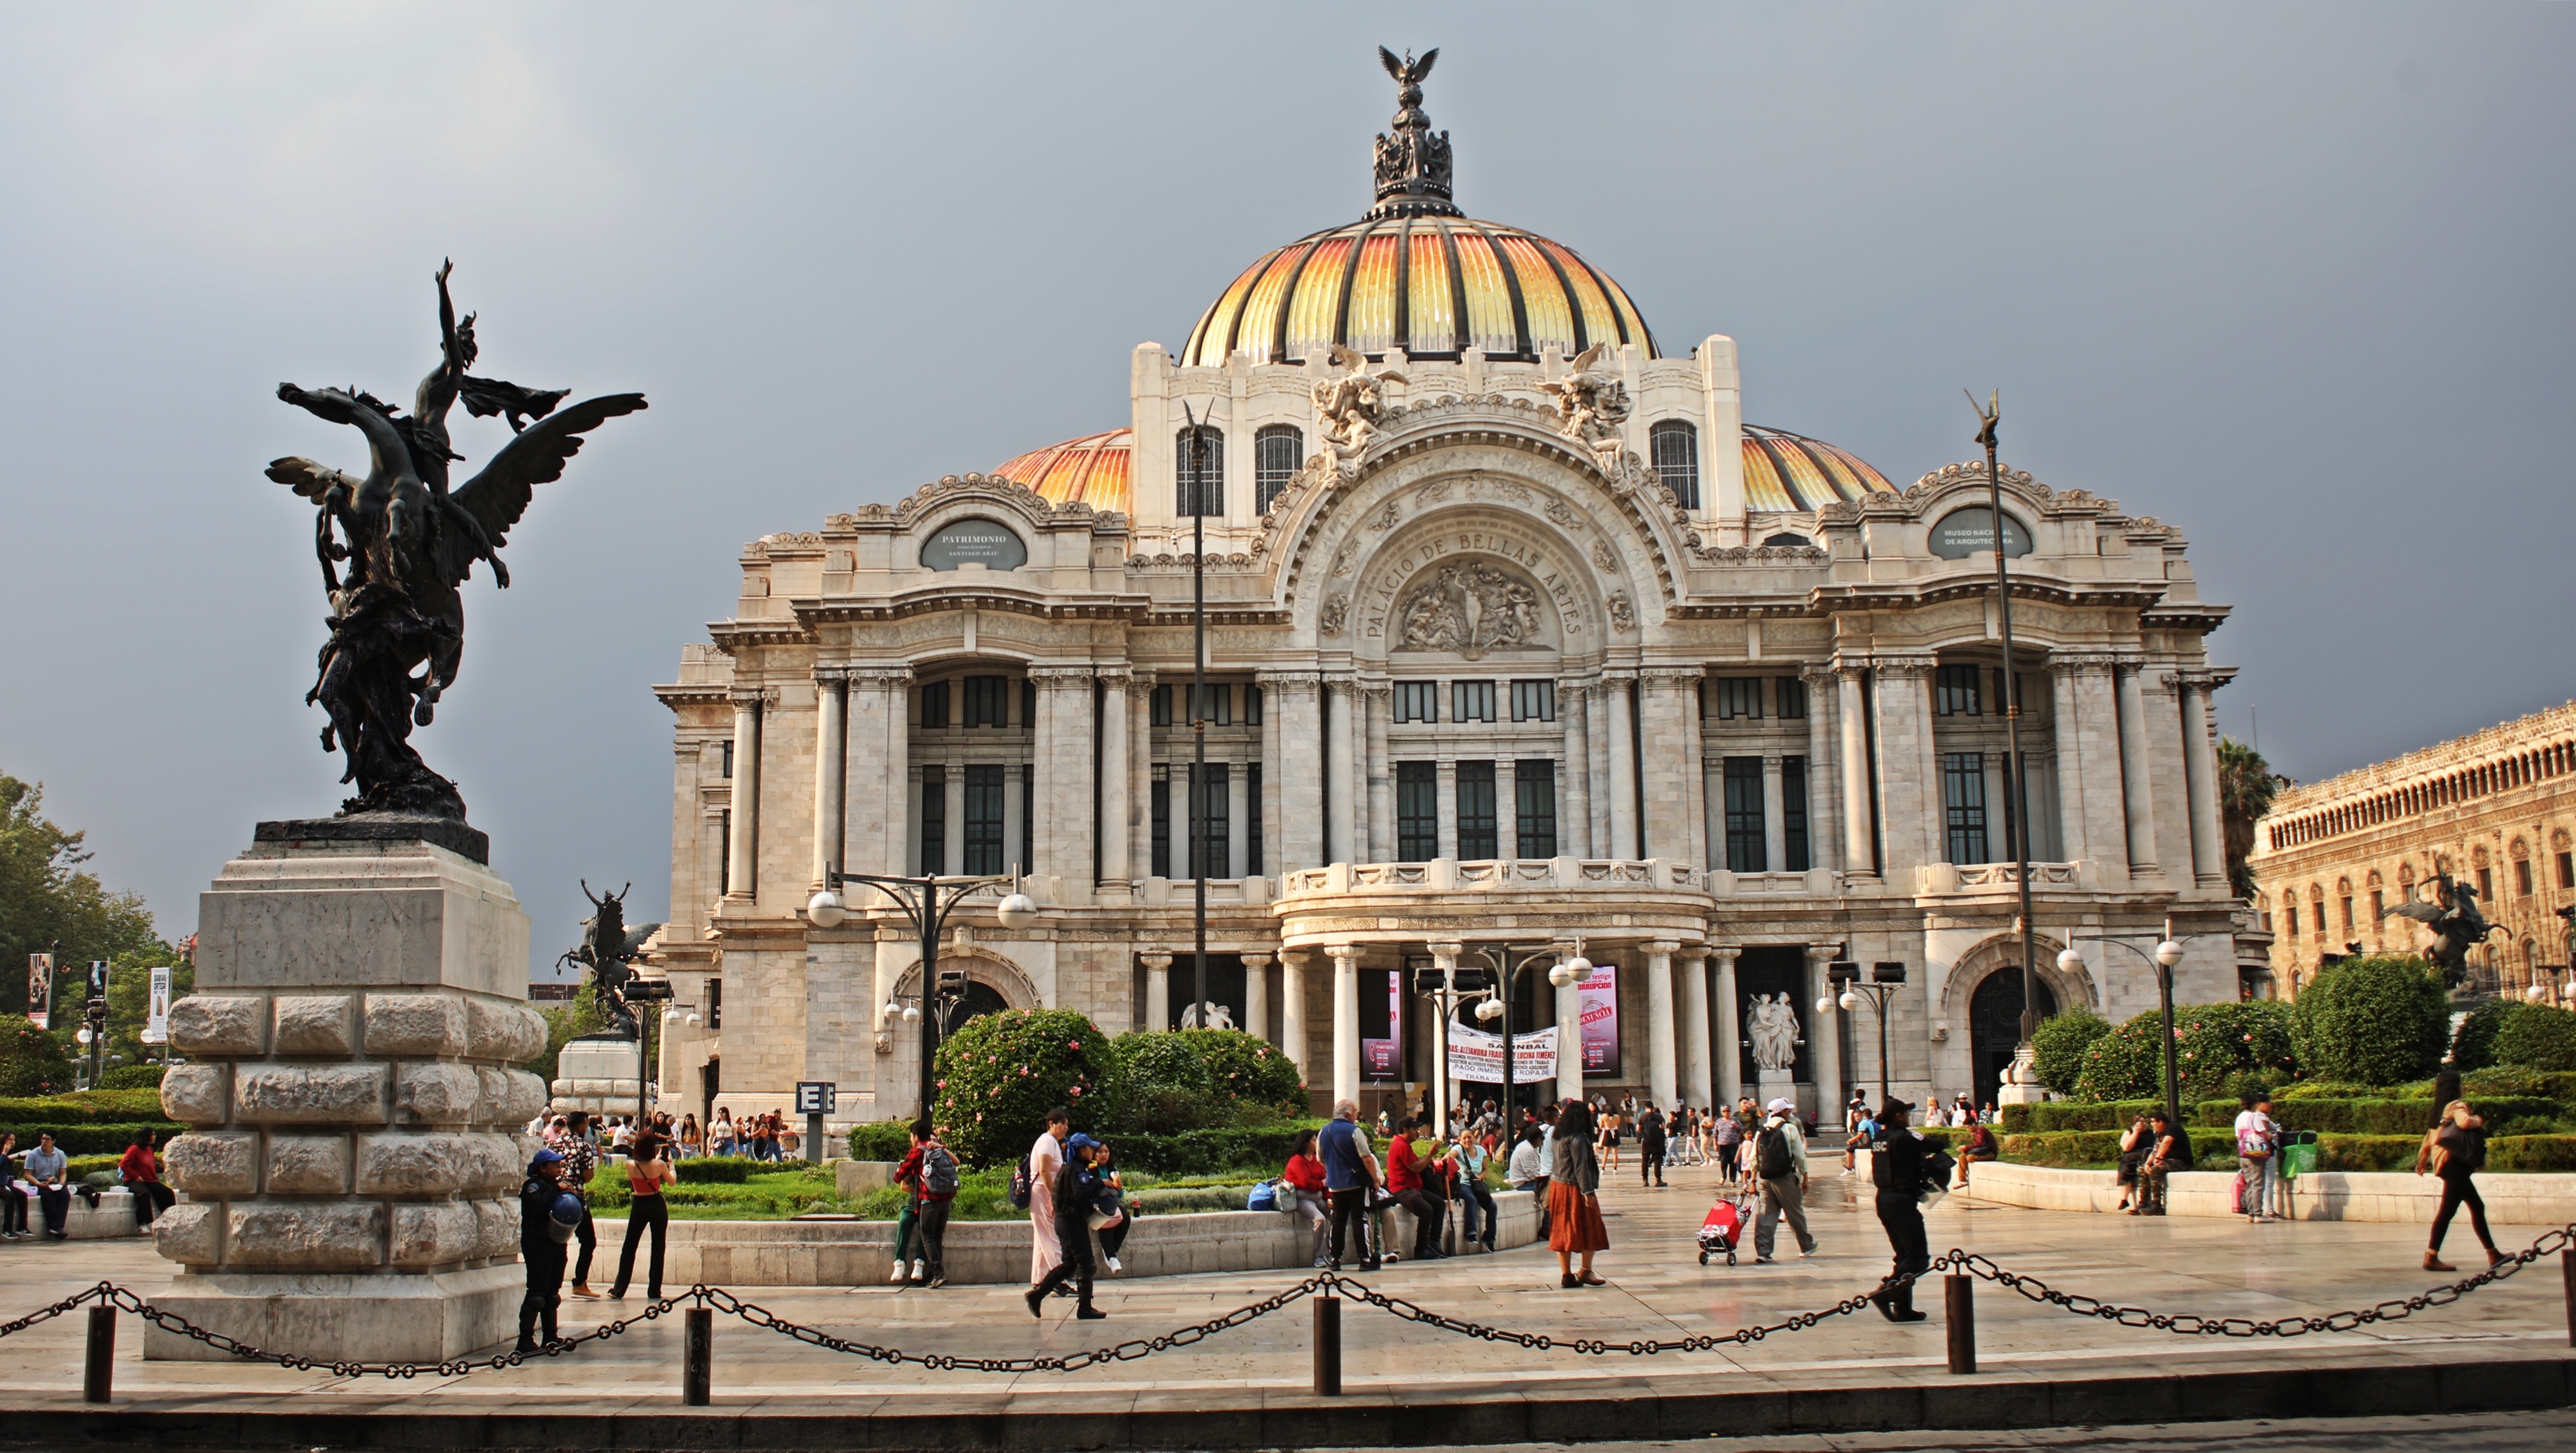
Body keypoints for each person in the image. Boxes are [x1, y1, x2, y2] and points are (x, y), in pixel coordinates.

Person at [1867, 1099, 1937, 1323]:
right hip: (1901, 1201)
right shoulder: (1904, 1138)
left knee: (1904, 1257)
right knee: (1918, 1258)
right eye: (1906, 1113)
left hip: (1884, 1200)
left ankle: (1903, 1308)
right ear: (1898, 1116)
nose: (1908, 1116)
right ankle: (1886, 1293)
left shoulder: (1881, 1138)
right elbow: (1937, 1145)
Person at [1025, 1134, 1107, 1320]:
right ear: (1081, 1151)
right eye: (1090, 1148)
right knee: (1086, 1263)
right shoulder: (1077, 1170)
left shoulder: (1068, 1168)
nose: (1093, 1152)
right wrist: (1100, 1183)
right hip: (1072, 1222)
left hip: (1065, 1221)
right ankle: (1085, 1308)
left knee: (1070, 1263)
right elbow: (1081, 1194)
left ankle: (1037, 1295)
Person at [2420, 1099, 2499, 1272]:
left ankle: (2493, 1254)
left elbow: (2429, 1138)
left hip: (2447, 1166)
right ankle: (2431, 1257)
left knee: (2477, 1206)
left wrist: (2423, 1160)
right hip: (2455, 1166)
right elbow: (2465, 1122)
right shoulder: (2457, 1105)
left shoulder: (2442, 1111)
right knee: (2447, 1211)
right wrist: (2478, 1119)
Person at [516, 1148, 575, 1353]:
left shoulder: (554, 1185)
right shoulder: (533, 1186)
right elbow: (538, 1205)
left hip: (556, 1243)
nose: (559, 1167)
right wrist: (557, 1189)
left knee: (552, 1294)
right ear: (542, 1168)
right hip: (537, 1245)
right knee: (537, 1294)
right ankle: (525, 1340)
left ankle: (550, 1335)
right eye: (555, 1164)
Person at [1548, 1099, 1609, 1288]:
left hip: (1558, 1186)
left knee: (1562, 1230)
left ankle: (1566, 1274)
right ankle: (1585, 1270)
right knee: (1591, 1227)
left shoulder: (1558, 1136)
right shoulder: (1578, 1138)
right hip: (1575, 1188)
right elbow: (1581, 1167)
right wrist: (1588, 1192)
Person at [608, 1130, 674, 1301]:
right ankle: (654, 1291)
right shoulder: (659, 1165)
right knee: (658, 1249)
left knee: (629, 1247)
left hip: (639, 1204)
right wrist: (671, 1165)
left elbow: (642, 1169)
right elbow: (672, 1181)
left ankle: (619, 1289)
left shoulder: (630, 1165)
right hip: (657, 1205)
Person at [1750, 1097, 1816, 1262]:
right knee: (1794, 1212)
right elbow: (1800, 1156)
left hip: (1765, 1178)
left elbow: (1753, 1157)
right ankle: (1806, 1246)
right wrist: (1805, 1176)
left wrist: (1752, 1180)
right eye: (1788, 1110)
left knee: (1767, 1213)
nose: (1790, 1112)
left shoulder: (1761, 1130)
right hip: (1785, 1177)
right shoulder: (1789, 1128)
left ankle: (1763, 1251)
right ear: (1783, 1111)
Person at [1320, 1099, 1378, 1272]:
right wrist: (1374, 1179)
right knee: (1360, 1220)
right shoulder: (1354, 1131)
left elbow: (1320, 1159)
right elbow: (1366, 1158)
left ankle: (1335, 1258)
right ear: (1347, 1115)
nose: (1356, 1116)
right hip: (1356, 1185)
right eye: (1354, 1113)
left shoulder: (1324, 1131)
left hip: (1335, 1186)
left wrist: (1335, 1171)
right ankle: (1365, 1259)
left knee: (1338, 1221)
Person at [1383, 1117, 1443, 1261]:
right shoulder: (1400, 1145)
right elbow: (1415, 1168)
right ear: (1405, 1130)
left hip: (1413, 1187)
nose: (1417, 1131)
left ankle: (1434, 1241)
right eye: (1414, 1129)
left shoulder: (1405, 1145)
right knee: (1426, 1211)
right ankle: (1420, 1249)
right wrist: (1430, 1155)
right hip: (1402, 1189)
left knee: (1439, 1204)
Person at [559, 1111, 603, 1295]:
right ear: (579, 1127)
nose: (587, 1129)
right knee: (588, 1240)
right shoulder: (583, 1146)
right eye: (586, 1125)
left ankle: (555, 1282)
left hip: (556, 1197)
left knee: (559, 1241)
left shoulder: (555, 1144)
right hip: (576, 1199)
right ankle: (580, 1282)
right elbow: (587, 1175)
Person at [1027, 1107, 1070, 1289]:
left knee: (1042, 1236)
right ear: (1052, 1124)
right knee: (1052, 1237)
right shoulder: (1047, 1141)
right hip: (1042, 1193)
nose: (1066, 1128)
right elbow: (1044, 1171)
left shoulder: (1051, 1142)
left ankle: (1040, 1279)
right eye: (1063, 1124)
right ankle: (1059, 1280)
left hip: (1043, 1193)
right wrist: (1055, 1197)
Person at [912, 1120, 958, 1287]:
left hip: (930, 1200)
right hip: (946, 1199)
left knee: (928, 1236)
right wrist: (942, 1148)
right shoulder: (940, 1147)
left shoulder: (919, 1151)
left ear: (916, 1137)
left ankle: (938, 1273)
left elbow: (900, 1176)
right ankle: (935, 1273)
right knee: (937, 1236)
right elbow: (957, 1162)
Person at [1284, 1129, 1330, 1268]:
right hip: (1303, 1198)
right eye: (1314, 1140)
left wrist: (1328, 1198)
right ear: (1306, 1143)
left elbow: (1325, 1179)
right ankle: (1320, 1256)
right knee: (1319, 1219)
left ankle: (1333, 1250)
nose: (1317, 1143)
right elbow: (1306, 1183)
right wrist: (1321, 1183)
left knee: (1337, 1215)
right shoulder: (1297, 1161)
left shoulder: (1316, 1159)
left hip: (1319, 1197)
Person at [2235, 1091, 2281, 1222]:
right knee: (2258, 1183)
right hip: (2254, 1154)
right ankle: (2258, 1214)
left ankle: (2251, 1213)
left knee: (2249, 1183)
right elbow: (2265, 1134)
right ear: (2255, 1104)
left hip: (2243, 1153)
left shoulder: (2240, 1117)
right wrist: (2271, 1135)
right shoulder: (2254, 1117)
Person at [2133, 1110, 2186, 1217]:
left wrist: (2158, 1158)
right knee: (2142, 1169)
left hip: (2179, 1161)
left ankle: (2157, 1205)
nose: (2151, 1125)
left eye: (2153, 1122)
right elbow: (2155, 1149)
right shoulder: (2158, 1133)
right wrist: (2147, 1164)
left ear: (2161, 1122)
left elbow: (2166, 1142)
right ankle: (2143, 1203)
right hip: (2165, 1160)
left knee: (2155, 1170)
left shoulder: (2173, 1127)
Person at [1452, 1129, 1498, 1251]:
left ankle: (1489, 1237)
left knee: (1492, 1206)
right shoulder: (1458, 1149)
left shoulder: (1481, 1151)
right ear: (1460, 1140)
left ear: (1474, 1137)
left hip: (1477, 1184)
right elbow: (1450, 1156)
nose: (1467, 1140)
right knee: (1471, 1199)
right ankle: (1471, 1232)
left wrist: (1480, 1177)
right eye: (1464, 1138)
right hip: (1463, 1184)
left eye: (1469, 1137)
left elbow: (1485, 1169)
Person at [120, 1130, 175, 1231]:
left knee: (167, 1192)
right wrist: (136, 1176)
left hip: (149, 1180)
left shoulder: (149, 1149)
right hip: (133, 1181)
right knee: (144, 1194)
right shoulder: (134, 1149)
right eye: (153, 1134)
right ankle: (142, 1223)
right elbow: (124, 1165)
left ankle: (170, 1218)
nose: (155, 1136)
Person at [1091, 1140, 1130, 1273]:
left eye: (1106, 1152)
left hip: (1111, 1202)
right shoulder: (1090, 1169)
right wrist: (1103, 1184)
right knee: (1106, 1218)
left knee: (1125, 1217)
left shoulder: (1113, 1170)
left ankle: (1111, 1253)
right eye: (1100, 1152)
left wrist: (1119, 1188)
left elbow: (1120, 1196)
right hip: (1095, 1204)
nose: (1104, 1155)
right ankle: (1112, 1257)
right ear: (1094, 1154)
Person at [23, 1133, 69, 1241]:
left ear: (53, 1141)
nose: (44, 1142)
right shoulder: (33, 1154)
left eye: (47, 1139)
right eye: (43, 1139)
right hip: (38, 1182)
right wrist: (38, 1184)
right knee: (47, 1195)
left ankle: (58, 1225)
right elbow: (28, 1174)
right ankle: (54, 1226)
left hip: (54, 1182)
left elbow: (63, 1172)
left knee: (65, 1195)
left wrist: (61, 1184)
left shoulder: (60, 1154)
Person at [2115, 1113, 2151, 1212]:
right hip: (2130, 1159)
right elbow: (2127, 1147)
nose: (2143, 1124)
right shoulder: (2129, 1132)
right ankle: (2124, 1200)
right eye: (2140, 1122)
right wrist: (2136, 1133)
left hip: (2145, 1157)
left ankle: (2135, 1205)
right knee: (2125, 1170)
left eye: (2144, 1122)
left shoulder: (2151, 1133)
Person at [1958, 1119, 2000, 1186]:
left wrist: (1966, 1147)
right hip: (1982, 1152)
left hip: (1990, 1153)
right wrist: (1965, 1150)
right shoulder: (1976, 1132)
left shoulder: (1981, 1130)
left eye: (1968, 1127)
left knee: (1969, 1158)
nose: (1968, 1129)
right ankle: (1962, 1180)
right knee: (1962, 1156)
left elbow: (1979, 1144)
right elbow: (1977, 1146)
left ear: (1973, 1124)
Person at [1637, 1103, 1668, 1188]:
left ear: (1645, 1107)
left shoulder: (1642, 1116)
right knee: (1657, 1159)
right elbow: (1663, 1127)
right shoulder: (1658, 1116)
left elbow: (1638, 1128)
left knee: (1645, 1160)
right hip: (1657, 1140)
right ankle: (1658, 1180)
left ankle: (1645, 1180)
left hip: (1646, 1141)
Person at [0, 1134, 25, 1241]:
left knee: (22, 1195)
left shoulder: (8, 1155)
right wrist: (4, 1154)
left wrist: (11, 1161)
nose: (12, 1142)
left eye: (14, 1140)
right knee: (10, 1197)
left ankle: (22, 1227)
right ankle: (7, 1229)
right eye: (9, 1139)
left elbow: (6, 1171)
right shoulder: (3, 1153)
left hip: (3, 1183)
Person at [1711, 1105, 1743, 1185]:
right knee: (1723, 1161)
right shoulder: (1719, 1121)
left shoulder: (1735, 1120)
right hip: (1722, 1145)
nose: (1726, 1113)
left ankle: (1732, 1180)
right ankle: (1723, 1176)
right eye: (1724, 1111)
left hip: (1733, 1144)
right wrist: (1715, 1144)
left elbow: (1742, 1130)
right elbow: (1715, 1134)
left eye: (1728, 1111)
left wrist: (1736, 1126)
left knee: (1733, 1162)